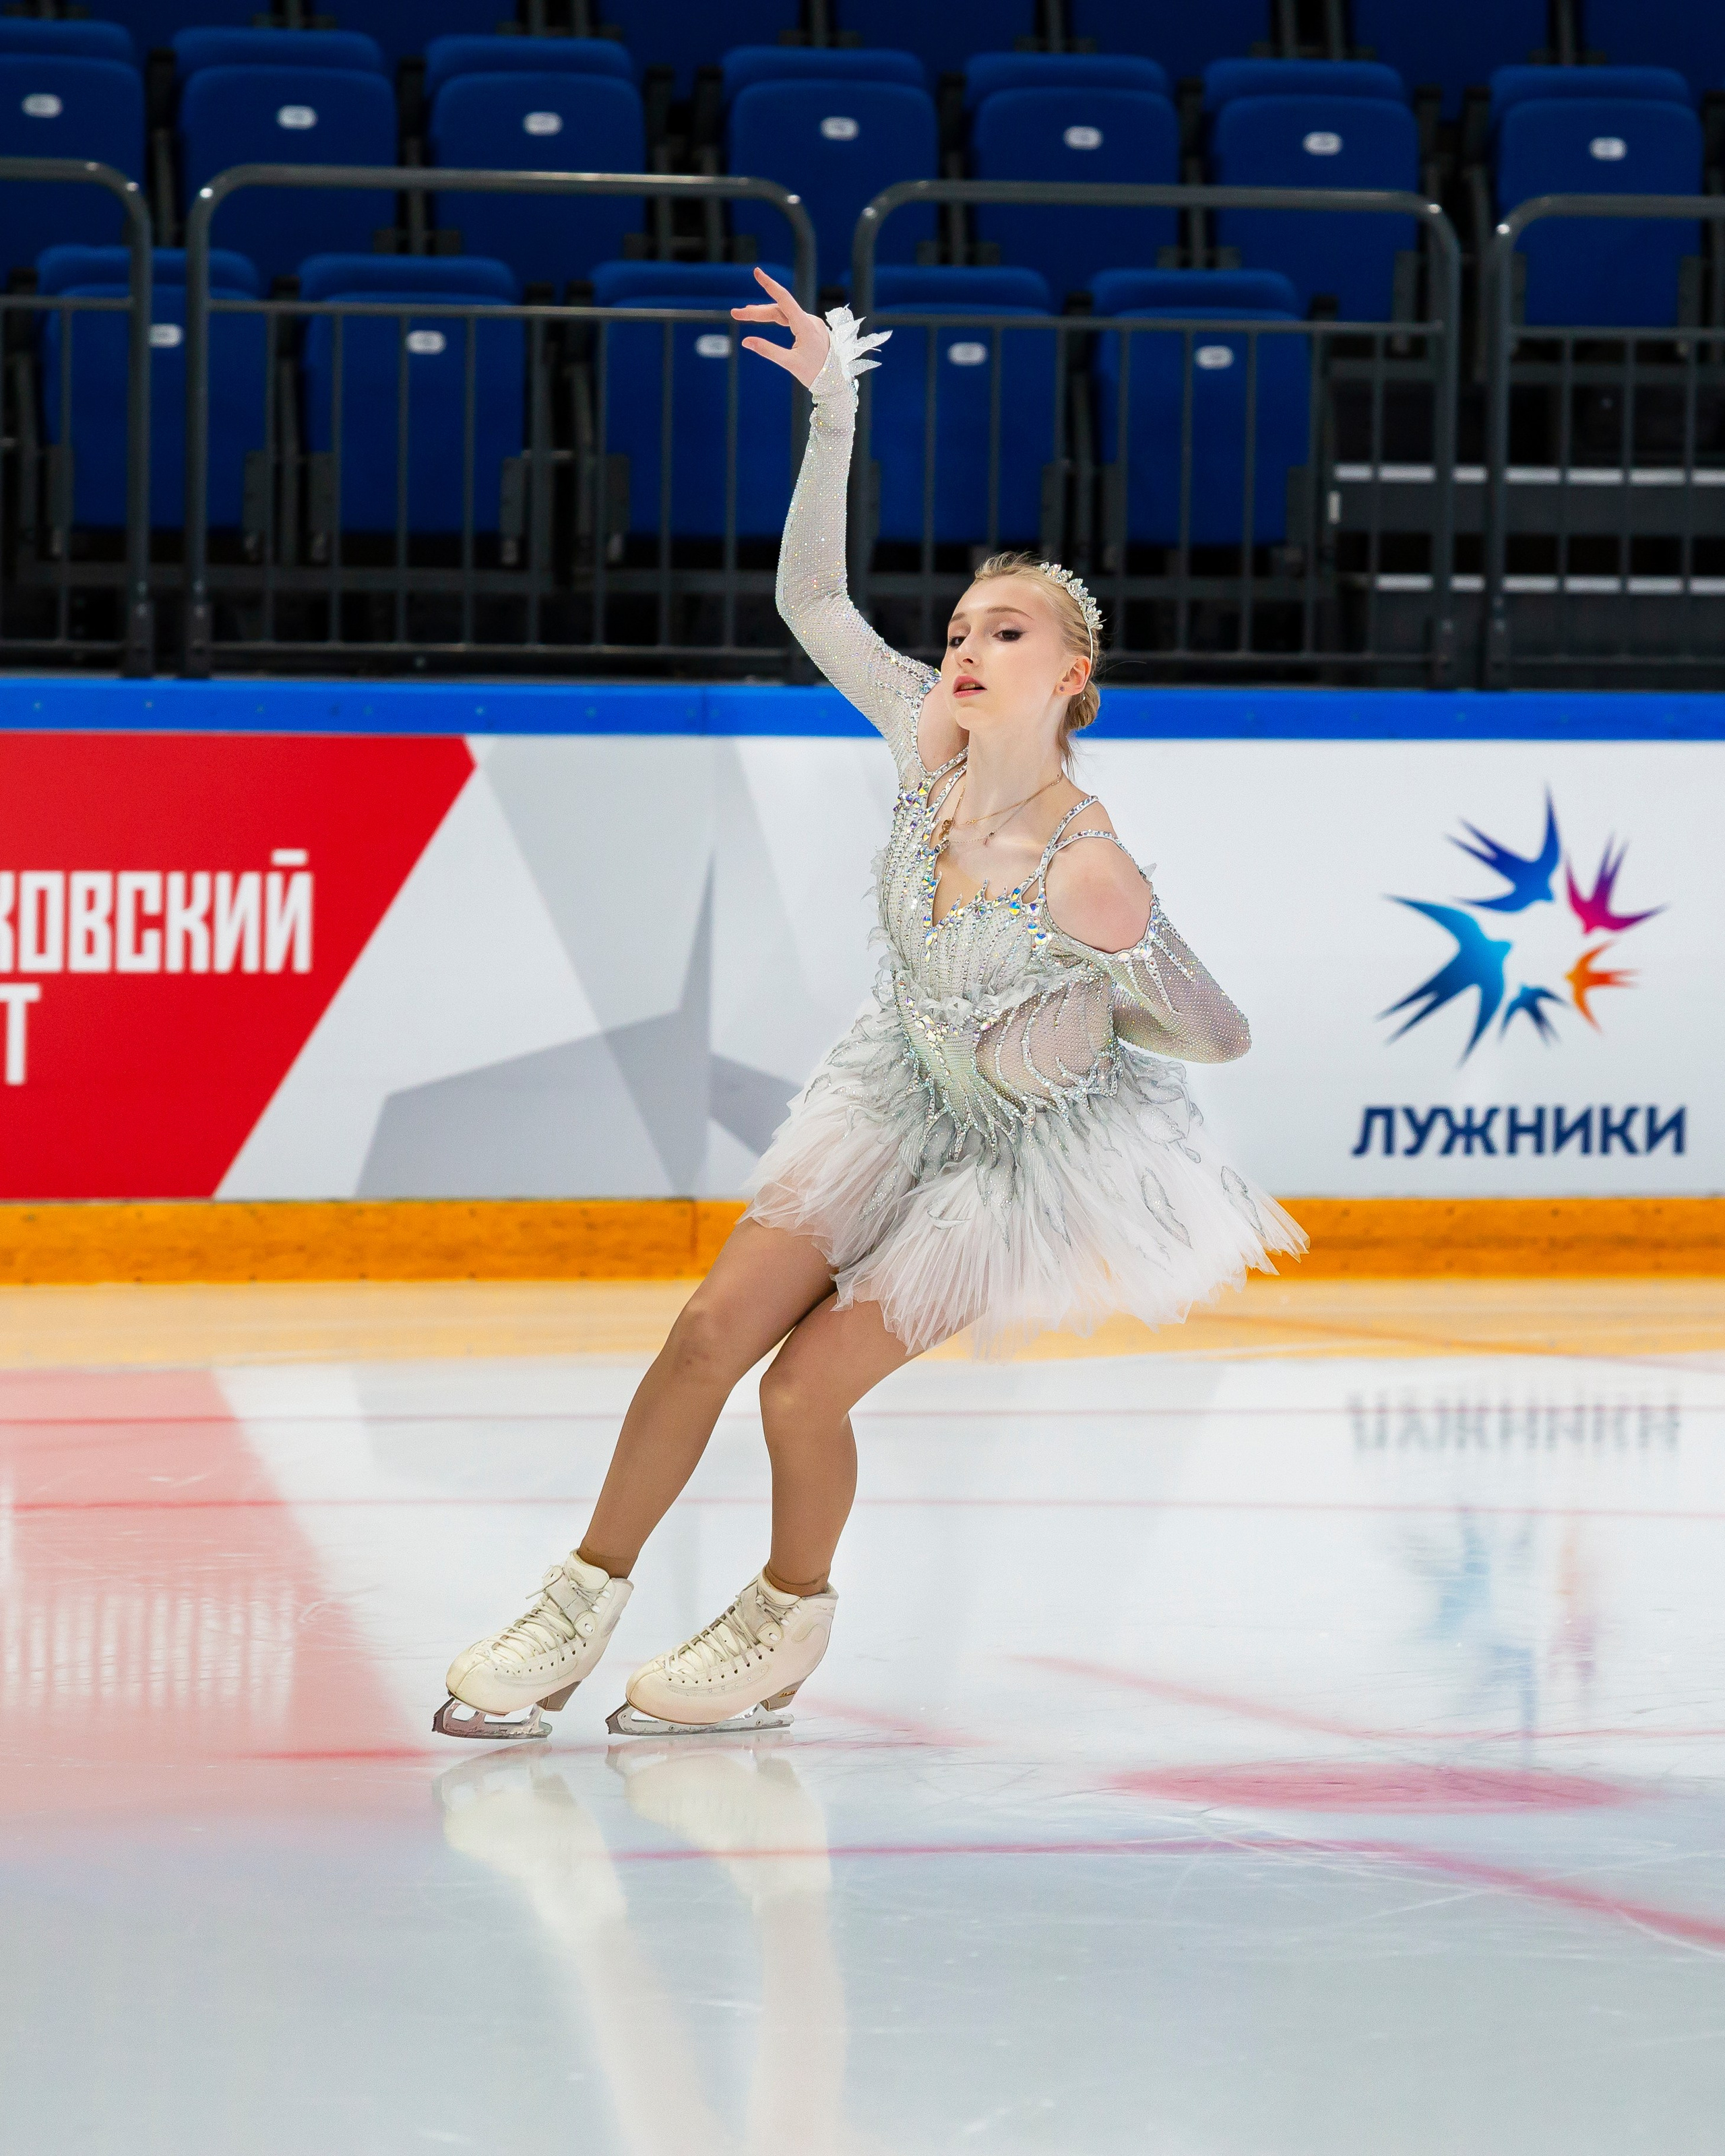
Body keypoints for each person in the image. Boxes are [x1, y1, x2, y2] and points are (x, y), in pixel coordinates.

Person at [435, 270, 1304, 1744]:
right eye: (962, 623)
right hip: (893, 1091)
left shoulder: (1087, 870)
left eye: (1005, 632)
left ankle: (780, 1624)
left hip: (1021, 1162)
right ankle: (576, 1601)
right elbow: (812, 599)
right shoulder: (920, 737)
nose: (965, 644)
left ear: (1071, 679)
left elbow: (1217, 1031)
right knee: (711, 1329)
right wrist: (832, 413)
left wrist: (1088, 1033)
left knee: (798, 1393)